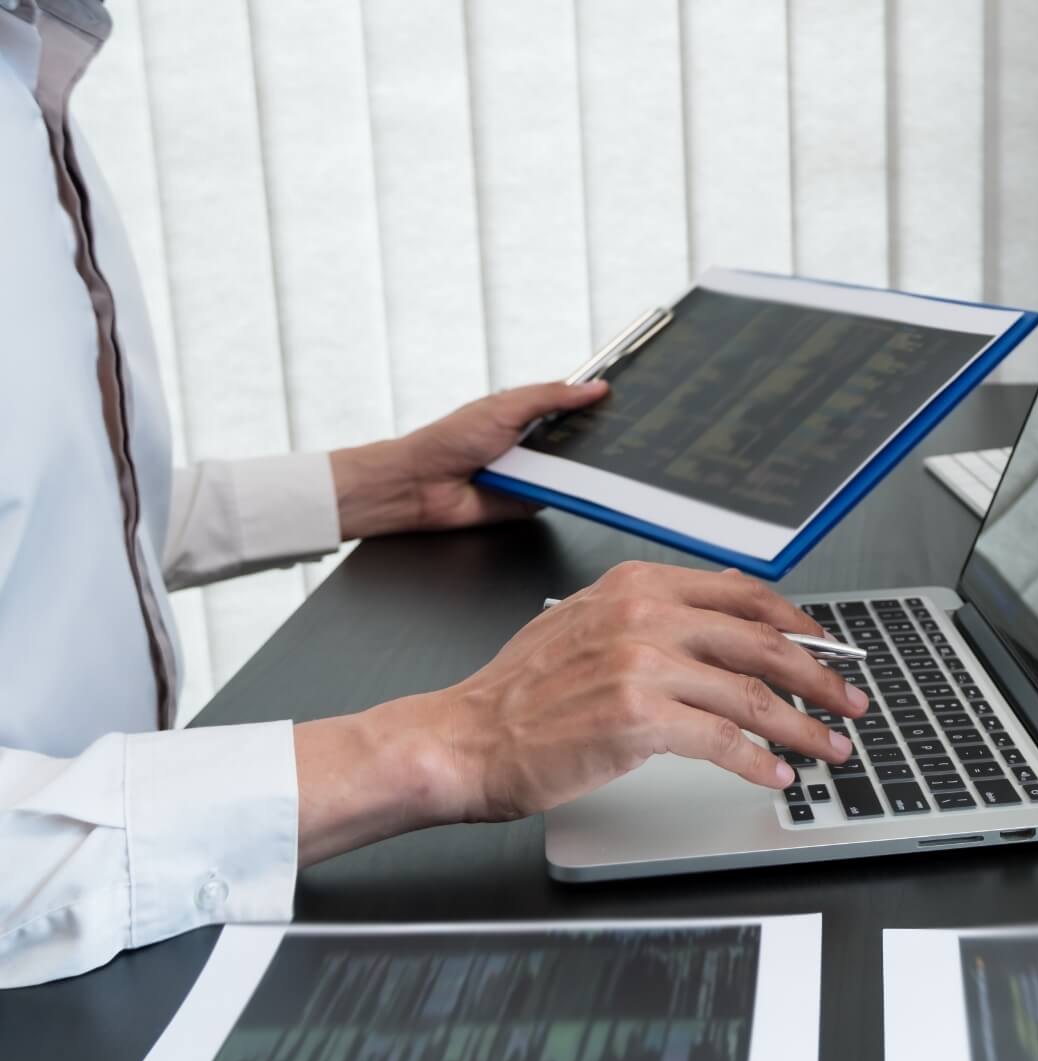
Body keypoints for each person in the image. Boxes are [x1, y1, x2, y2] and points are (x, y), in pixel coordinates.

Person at [0, 0, 857, 988]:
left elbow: (58, 515)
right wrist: (454, 743)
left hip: (127, 876)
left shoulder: (36, 76)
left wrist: (379, 487)